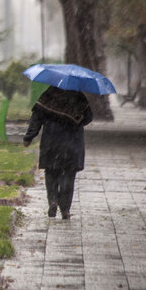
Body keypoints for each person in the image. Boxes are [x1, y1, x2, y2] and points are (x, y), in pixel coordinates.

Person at [23, 86, 93, 220]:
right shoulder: (78, 96)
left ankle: (53, 200)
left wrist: (29, 137)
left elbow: (37, 116)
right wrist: (73, 119)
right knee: (68, 174)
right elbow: (88, 117)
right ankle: (65, 209)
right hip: (72, 143)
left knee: (51, 171)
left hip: (51, 141)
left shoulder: (49, 94)